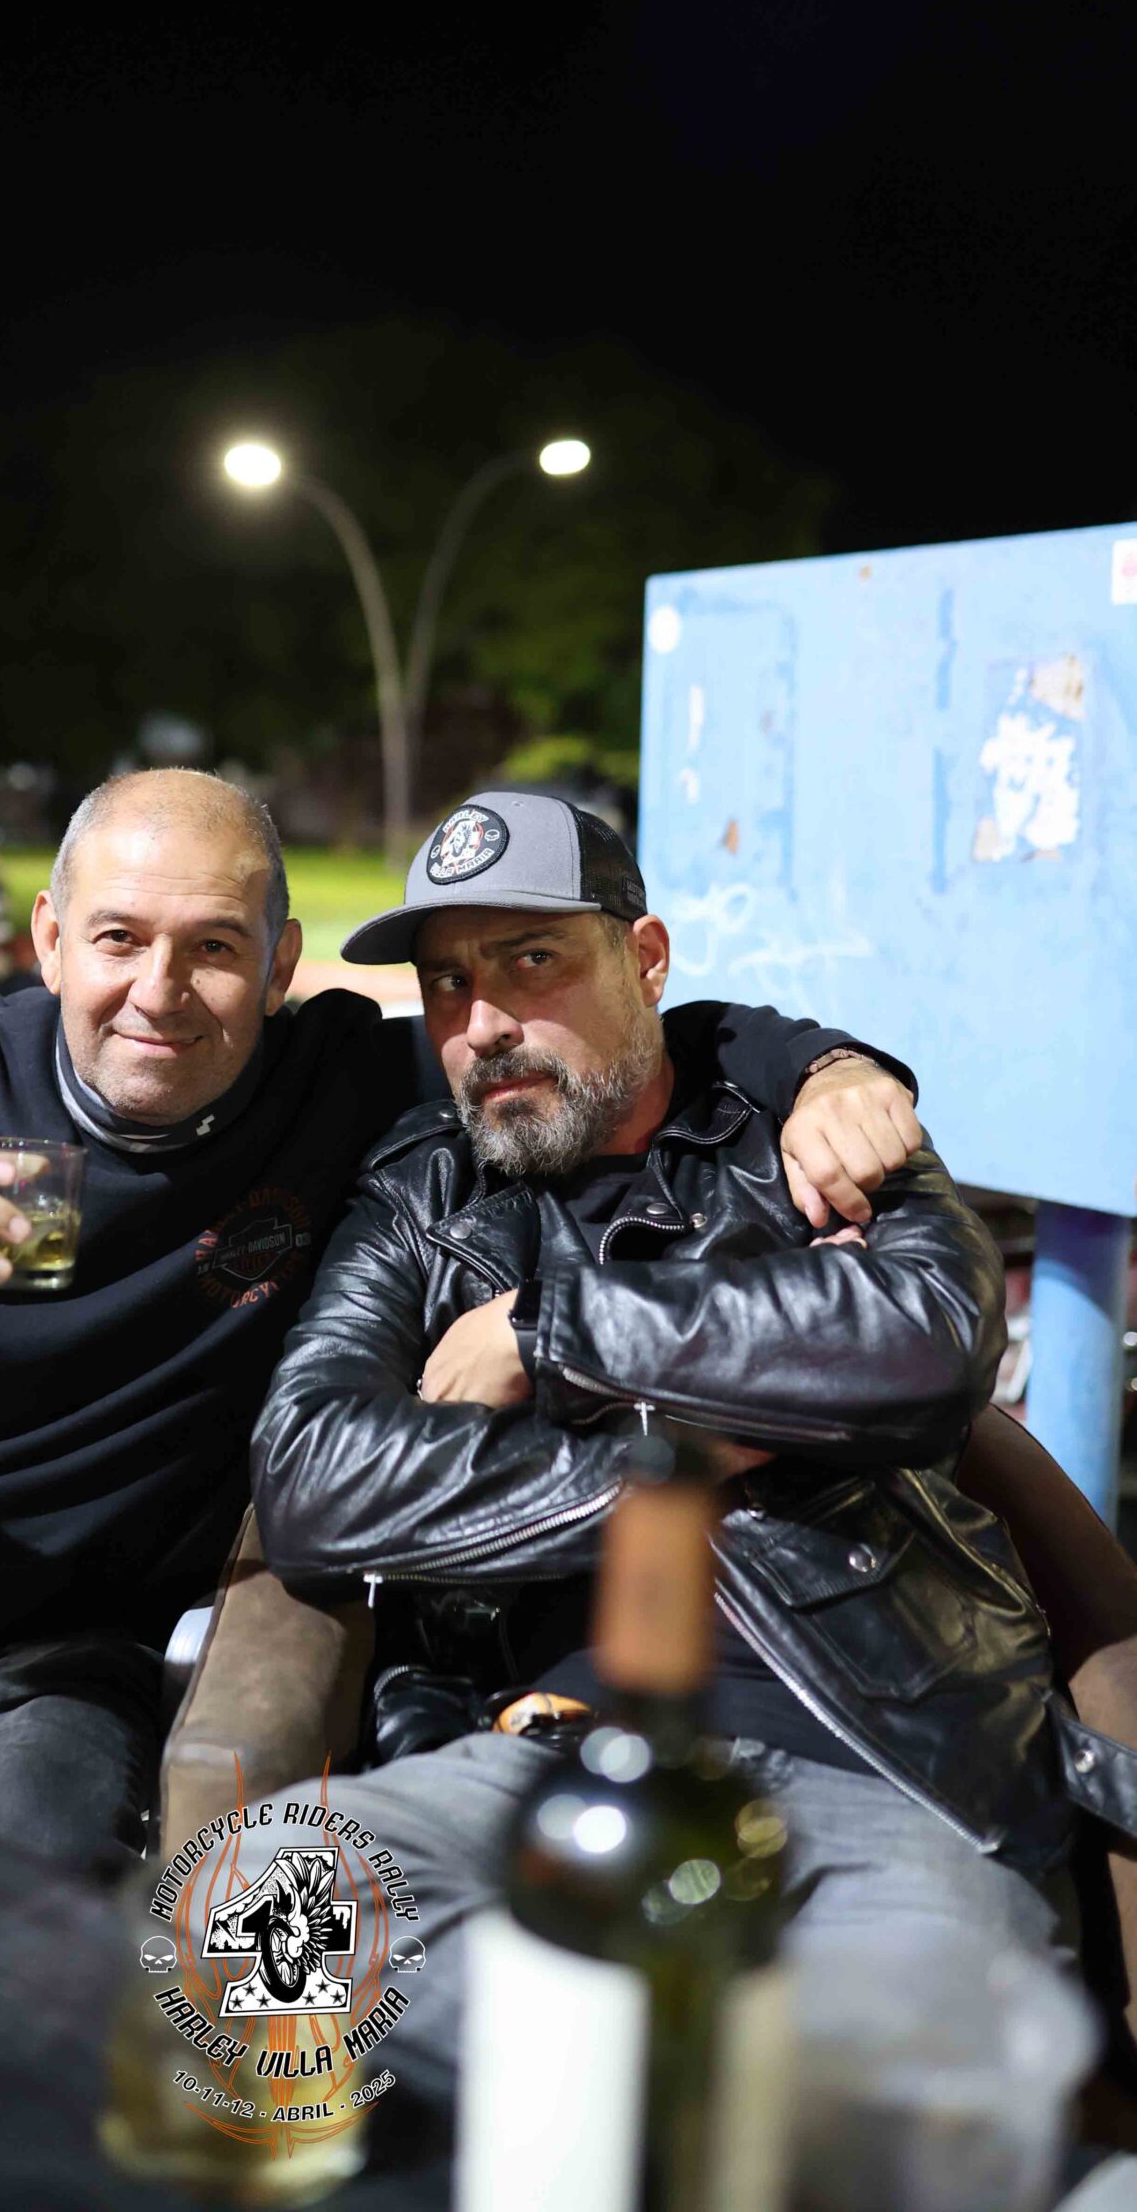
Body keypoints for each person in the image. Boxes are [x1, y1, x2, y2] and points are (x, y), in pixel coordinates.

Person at [0, 774, 920, 1911]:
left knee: (21, 1957)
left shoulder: (341, 1083)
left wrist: (825, 1066)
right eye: (118, 939)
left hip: (49, 1671)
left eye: (213, 949)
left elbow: (608, 1027)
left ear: (278, 967)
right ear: (49, 939)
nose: (159, 992)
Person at [248, 787, 1086, 2100]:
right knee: (241, 1917)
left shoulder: (810, 1125)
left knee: (913, 2068)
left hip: (872, 1763)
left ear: (644, 959)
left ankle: (633, 2108)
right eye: (450, 980)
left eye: (533, 959)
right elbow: (313, 1476)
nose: (485, 1021)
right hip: (541, 1752)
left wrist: (556, 1331)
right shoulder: (421, 1197)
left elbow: (928, 1339)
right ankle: (657, 2104)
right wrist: (690, 1451)